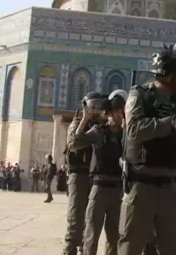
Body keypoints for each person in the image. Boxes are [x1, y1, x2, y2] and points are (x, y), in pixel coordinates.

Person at [117, 42, 176, 255]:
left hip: (169, 188)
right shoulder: (139, 95)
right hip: (141, 186)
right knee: (131, 247)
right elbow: (134, 129)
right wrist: (170, 123)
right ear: (168, 75)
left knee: (173, 249)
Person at [69, 90, 128, 255]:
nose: (120, 116)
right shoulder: (99, 131)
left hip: (117, 190)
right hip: (99, 189)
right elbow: (74, 143)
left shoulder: (125, 135)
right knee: (91, 235)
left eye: (122, 112)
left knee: (114, 237)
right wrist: (85, 119)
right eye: (117, 112)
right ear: (109, 113)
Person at [63, 92, 100, 254]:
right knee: (76, 218)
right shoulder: (77, 123)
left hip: (94, 176)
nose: (95, 110)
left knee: (90, 220)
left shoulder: (99, 126)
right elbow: (73, 144)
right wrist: (84, 120)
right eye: (92, 106)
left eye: (98, 106)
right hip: (78, 175)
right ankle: (70, 248)